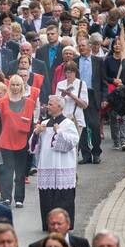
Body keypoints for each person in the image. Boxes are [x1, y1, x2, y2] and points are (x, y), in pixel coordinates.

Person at [33, 95, 80, 230]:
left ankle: (64, 225)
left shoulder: (67, 123)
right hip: (47, 164)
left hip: (62, 165)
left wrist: (58, 132)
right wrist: (36, 133)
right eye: (48, 104)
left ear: (60, 106)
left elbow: (73, 142)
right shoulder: (44, 123)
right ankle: (49, 225)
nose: (47, 106)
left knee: (64, 198)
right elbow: (34, 147)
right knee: (47, 198)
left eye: (50, 104)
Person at [0, 75, 37, 208]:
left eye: (17, 85)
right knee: (6, 171)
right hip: (6, 141)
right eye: (13, 85)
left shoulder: (30, 103)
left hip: (22, 142)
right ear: (9, 86)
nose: (15, 87)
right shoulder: (2, 102)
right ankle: (6, 197)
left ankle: (19, 198)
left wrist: (30, 143)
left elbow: (31, 125)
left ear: (22, 86)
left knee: (20, 173)